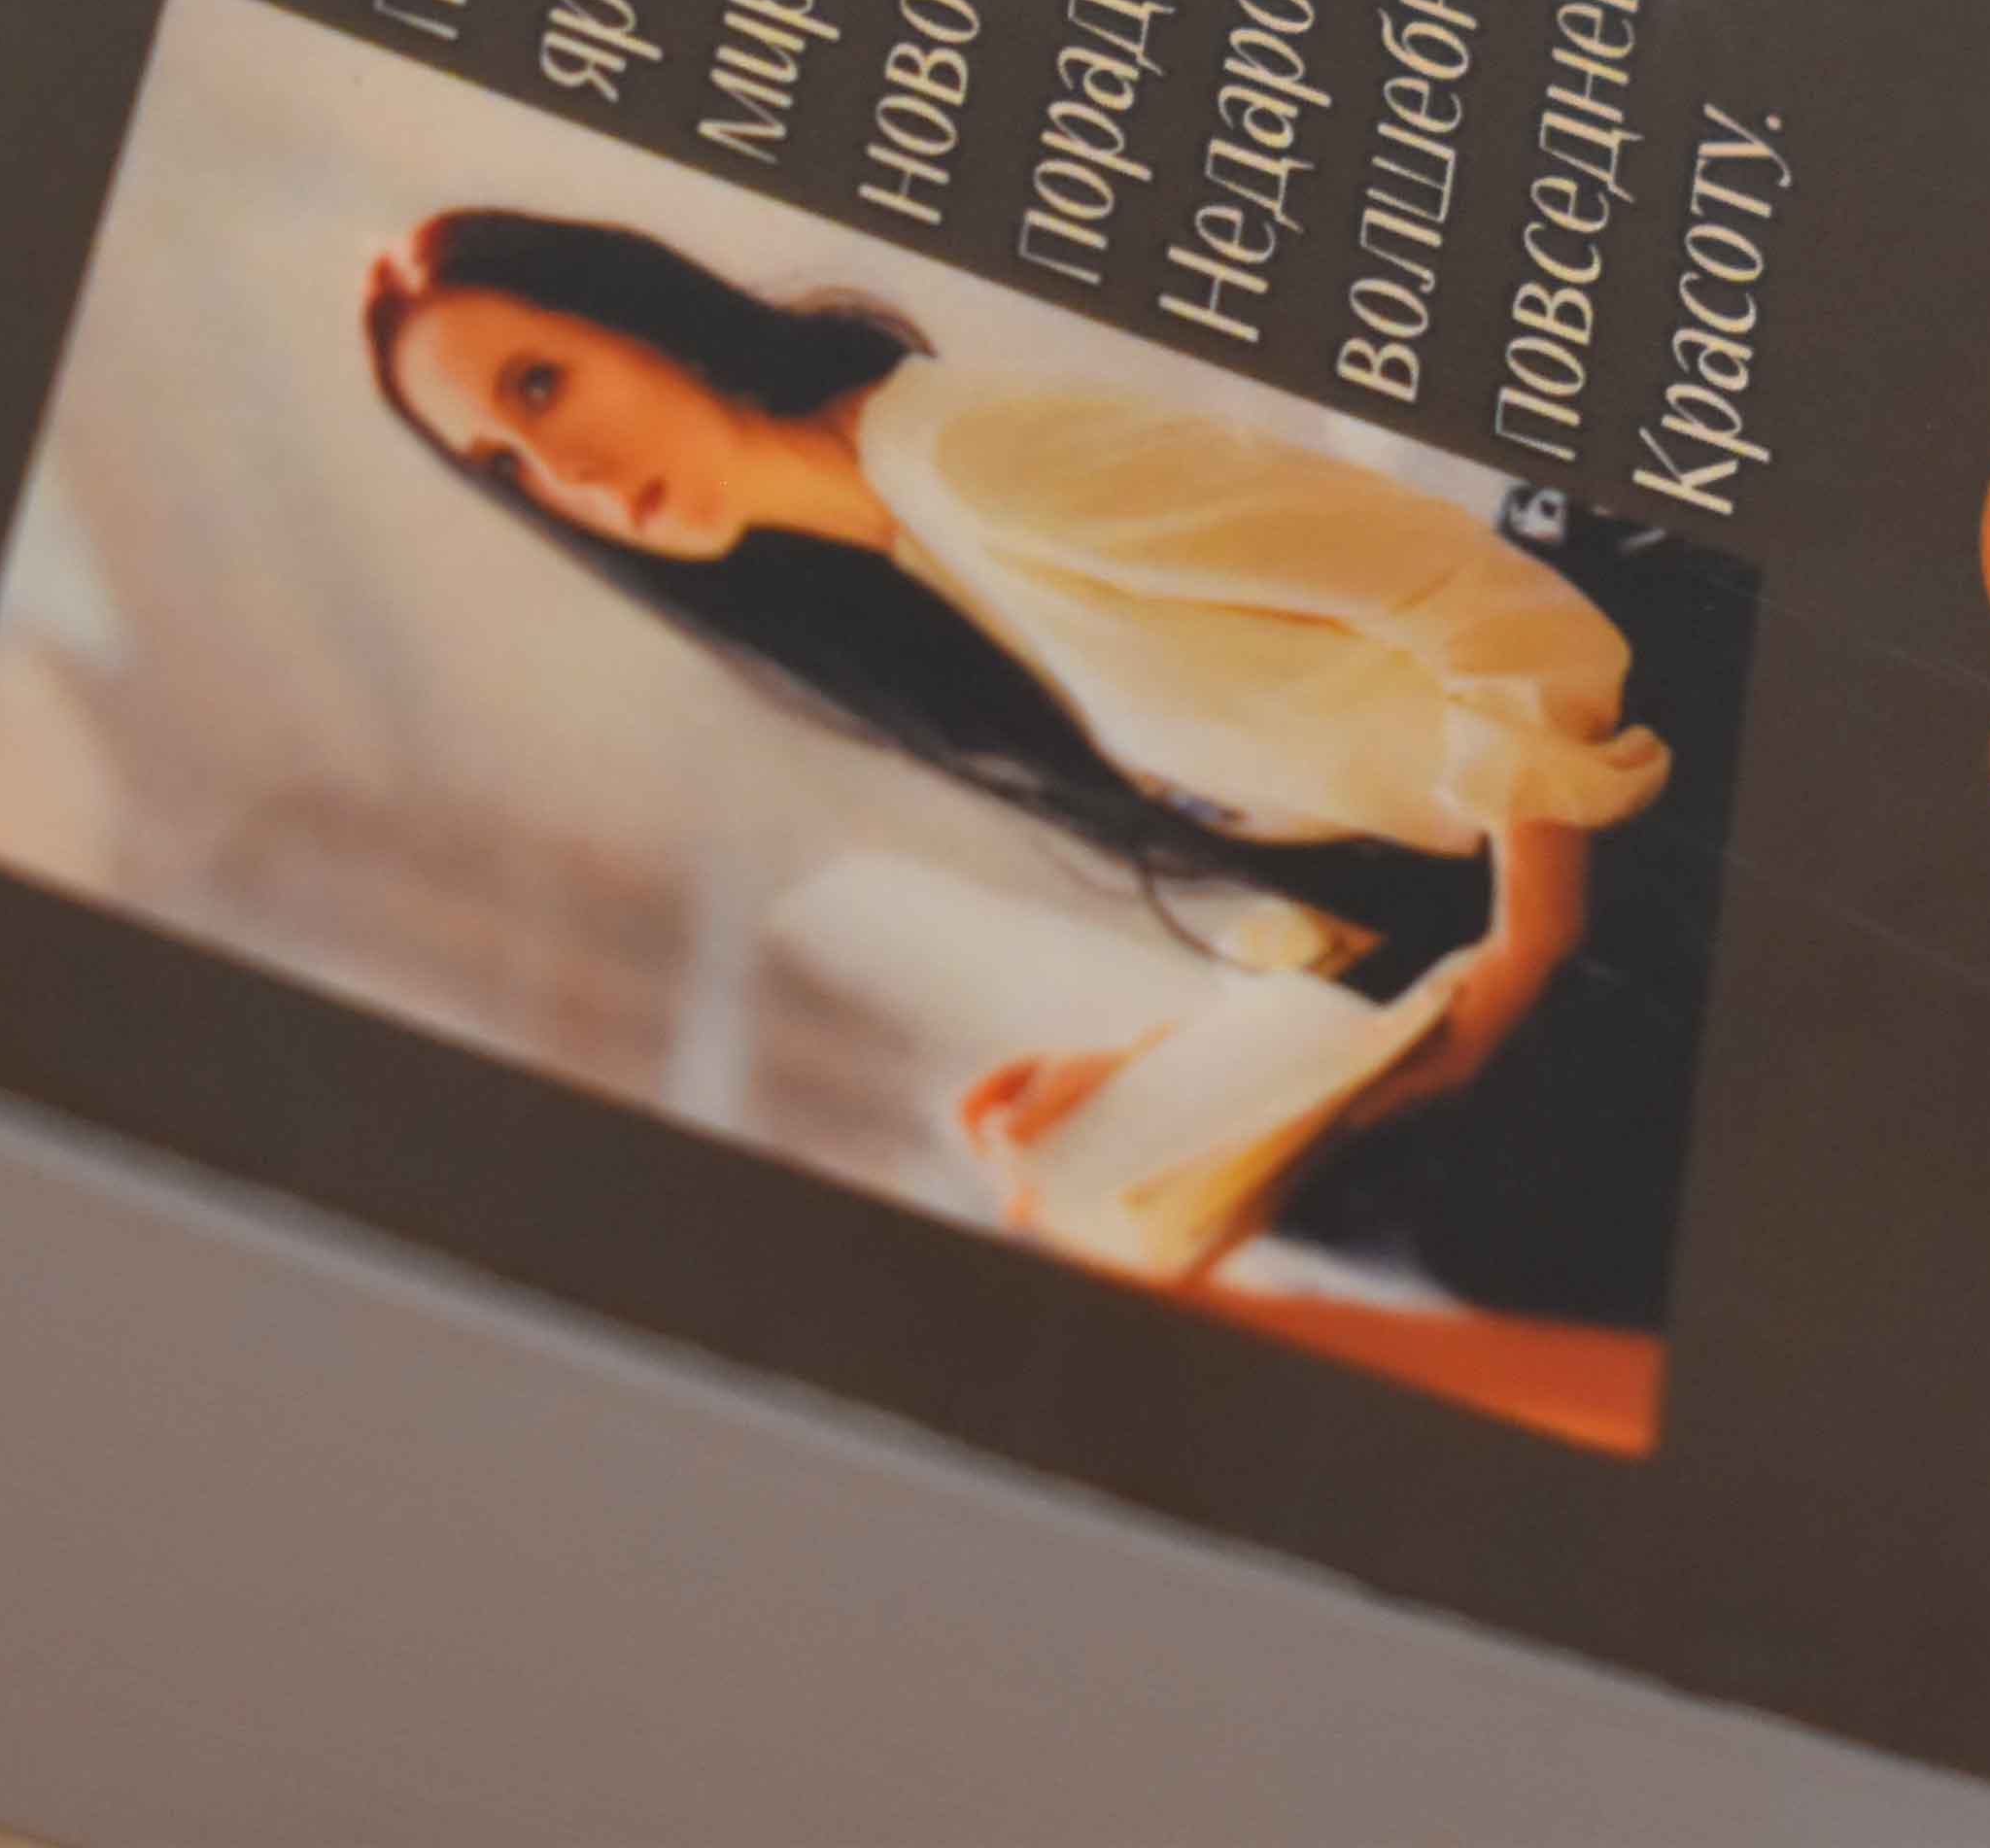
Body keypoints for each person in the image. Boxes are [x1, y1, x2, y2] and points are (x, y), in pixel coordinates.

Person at [360, 206, 1735, 1361]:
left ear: (635, 314)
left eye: (538, 386)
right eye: (506, 467)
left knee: (1482, 1210)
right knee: (1271, 1196)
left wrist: (1530, 940)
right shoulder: (912, 561)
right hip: (1509, 849)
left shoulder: (971, 461)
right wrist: (1163, 1078)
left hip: (1661, 759)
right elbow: (1315, 798)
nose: (565, 472)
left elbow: (1499, 614)